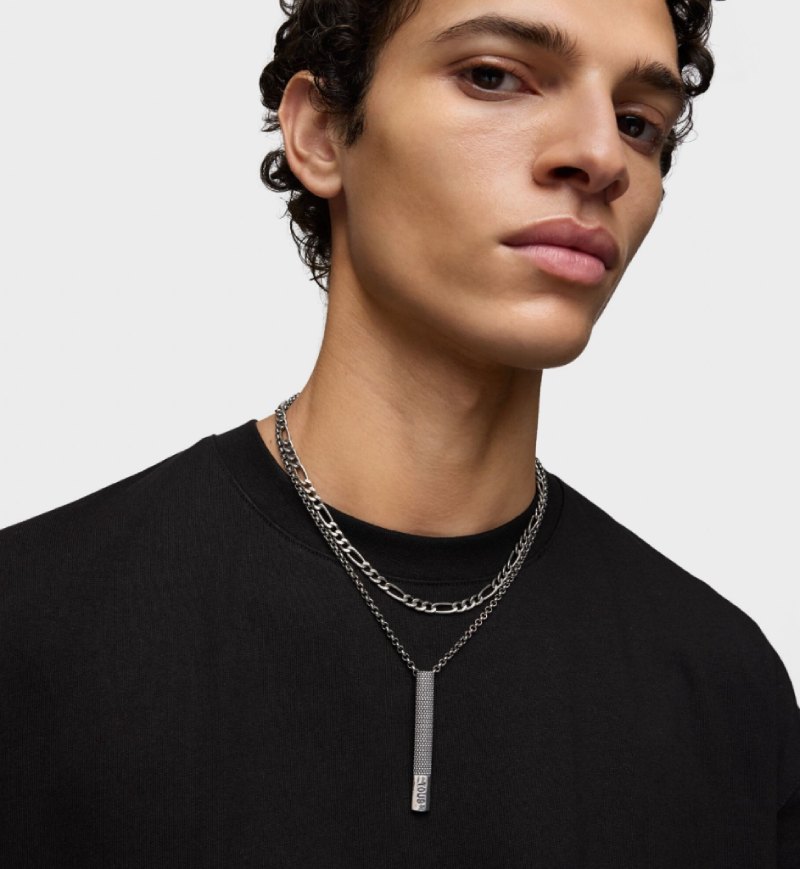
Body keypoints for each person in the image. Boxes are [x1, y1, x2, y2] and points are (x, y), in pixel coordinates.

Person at [2, 0, 798, 865]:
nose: (601, 156)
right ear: (321, 134)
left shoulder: (727, 692)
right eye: (494, 77)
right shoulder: (33, 627)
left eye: (638, 122)